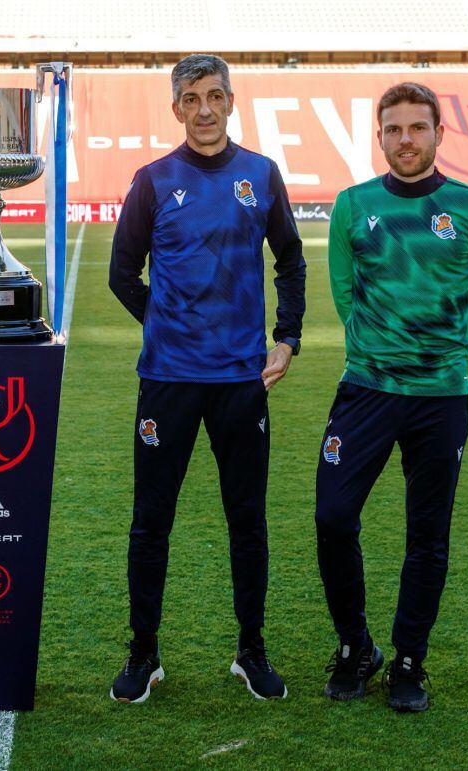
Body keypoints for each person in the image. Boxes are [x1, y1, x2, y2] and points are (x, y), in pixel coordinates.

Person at [108, 54, 306, 703]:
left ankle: (251, 650)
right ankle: (144, 652)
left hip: (242, 383)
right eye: (191, 97)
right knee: (149, 521)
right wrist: (164, 324)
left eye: (214, 95)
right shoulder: (153, 180)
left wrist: (287, 337)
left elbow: (291, 260)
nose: (204, 108)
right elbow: (122, 273)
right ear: (176, 108)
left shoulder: (261, 174)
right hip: (168, 380)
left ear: (230, 100)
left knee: (247, 520)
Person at [316, 83, 468, 712]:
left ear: (438, 135)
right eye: (393, 129)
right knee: (333, 517)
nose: (406, 140)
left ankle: (407, 661)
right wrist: (382, 350)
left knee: (428, 533)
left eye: (417, 128)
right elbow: (345, 296)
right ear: (379, 136)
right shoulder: (352, 205)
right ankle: (355, 646)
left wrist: (438, 357)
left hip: (440, 398)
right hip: (366, 390)